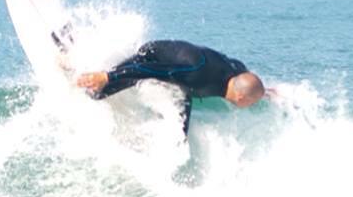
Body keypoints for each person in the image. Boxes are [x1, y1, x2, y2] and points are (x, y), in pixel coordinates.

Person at [75, 40, 265, 135]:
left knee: (179, 135)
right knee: (97, 93)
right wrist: (106, 76)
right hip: (152, 56)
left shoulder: (236, 70)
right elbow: (149, 70)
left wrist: (263, 92)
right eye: (252, 102)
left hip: (185, 83)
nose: (252, 105)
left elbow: (247, 77)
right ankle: (72, 61)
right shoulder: (197, 75)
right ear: (241, 99)